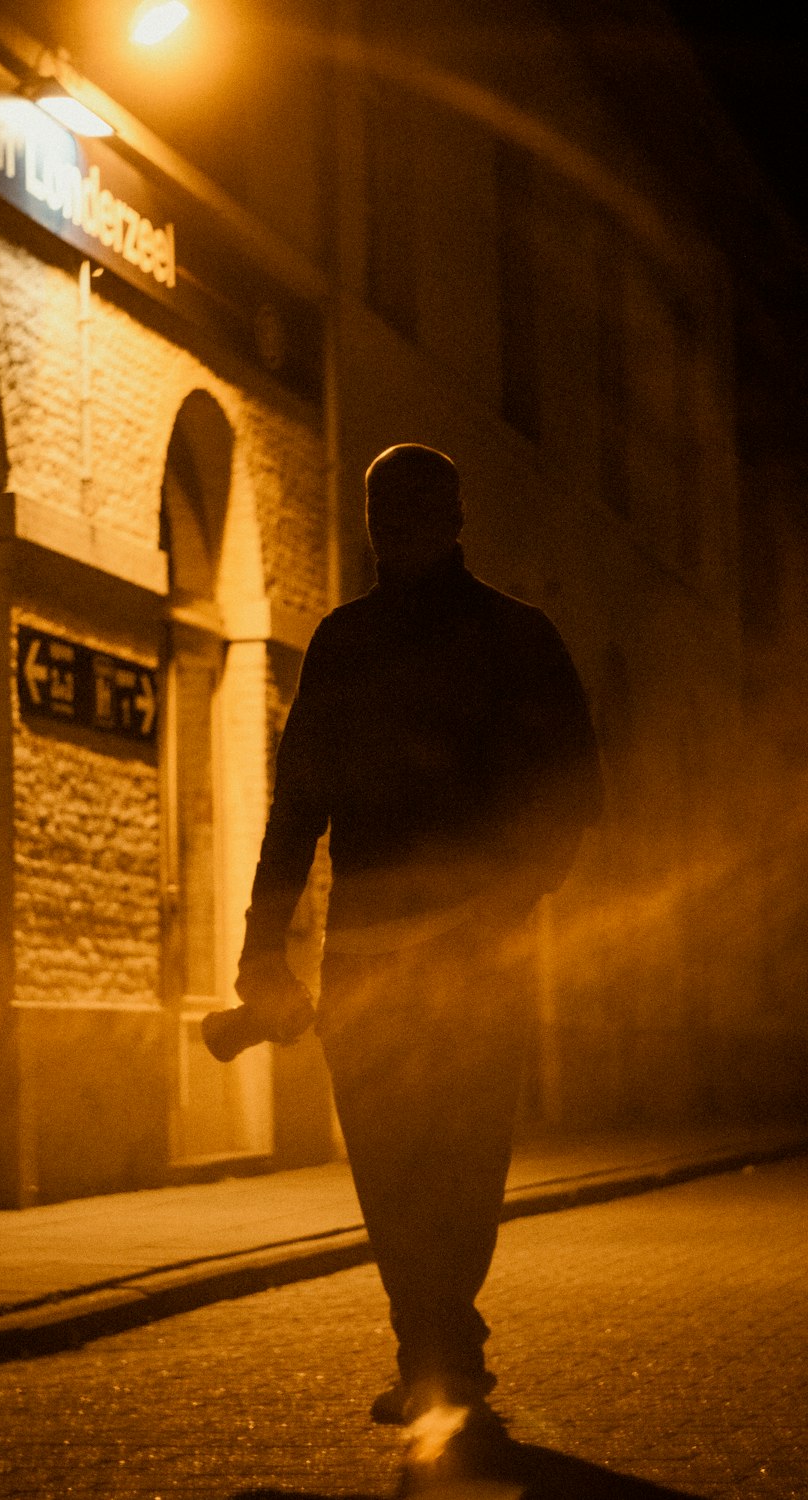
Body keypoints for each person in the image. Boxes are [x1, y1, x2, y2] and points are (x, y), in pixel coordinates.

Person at [234, 444, 603, 1433]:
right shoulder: (367, 643)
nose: (394, 532)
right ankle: (435, 1353)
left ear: (450, 518)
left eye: (411, 513)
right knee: (404, 1166)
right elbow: (296, 809)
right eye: (384, 515)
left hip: (451, 950)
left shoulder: (492, 639)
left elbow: (568, 798)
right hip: (384, 952)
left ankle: (440, 1350)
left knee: (451, 1162)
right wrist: (259, 948)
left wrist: (501, 902)